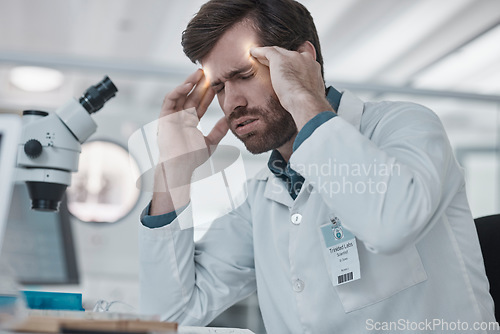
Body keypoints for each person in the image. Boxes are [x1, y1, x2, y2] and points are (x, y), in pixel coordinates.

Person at [138, 0, 497, 332]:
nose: (232, 102)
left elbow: (389, 224)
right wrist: (173, 172)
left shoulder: (404, 126)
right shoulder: (262, 199)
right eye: (218, 87)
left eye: (246, 75)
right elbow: (171, 316)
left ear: (302, 59)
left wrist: (304, 96)